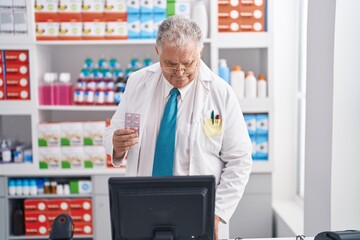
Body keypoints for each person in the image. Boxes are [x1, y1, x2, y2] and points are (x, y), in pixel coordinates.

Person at [103, 15, 252, 239]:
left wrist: (218, 211)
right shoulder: (137, 82)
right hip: (142, 205)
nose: (180, 72)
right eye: (170, 64)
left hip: (199, 211)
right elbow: (111, 133)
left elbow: (240, 159)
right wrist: (116, 144)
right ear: (158, 52)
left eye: (188, 63)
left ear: (200, 53)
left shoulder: (221, 93)